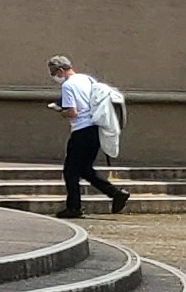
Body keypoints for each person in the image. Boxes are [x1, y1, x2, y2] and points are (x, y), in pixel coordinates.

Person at [47, 57, 131, 215]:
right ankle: (116, 194)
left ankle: (74, 207)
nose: (56, 77)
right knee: (85, 169)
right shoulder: (87, 79)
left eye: (55, 73)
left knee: (70, 170)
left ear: (60, 71)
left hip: (81, 130)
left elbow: (73, 112)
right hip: (95, 129)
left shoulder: (68, 85)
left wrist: (60, 111)